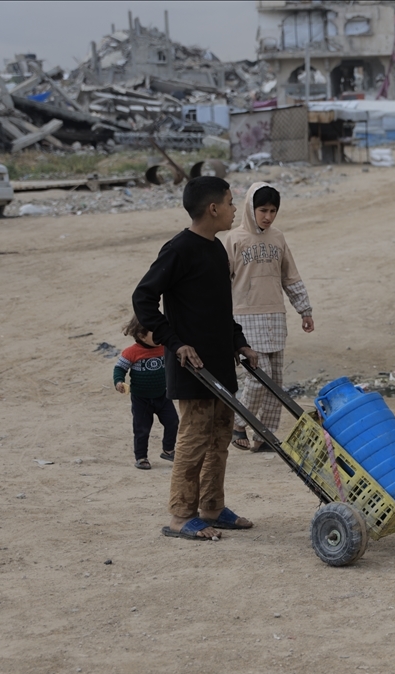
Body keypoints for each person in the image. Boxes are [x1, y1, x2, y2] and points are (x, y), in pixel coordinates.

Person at [133, 176, 259, 542]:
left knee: (220, 438)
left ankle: (212, 508)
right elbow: (143, 298)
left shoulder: (217, 248)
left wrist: (239, 341)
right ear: (213, 208)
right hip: (193, 367)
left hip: (221, 361)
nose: (236, 209)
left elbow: (220, 308)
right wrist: (174, 342)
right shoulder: (179, 249)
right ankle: (180, 516)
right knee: (194, 439)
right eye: (231, 202)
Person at [224, 182, 314, 452]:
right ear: (251, 209)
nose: (268, 216)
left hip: (275, 316)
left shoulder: (278, 238)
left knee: (275, 380)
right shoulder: (233, 239)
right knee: (255, 376)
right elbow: (219, 283)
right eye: (263, 209)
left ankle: (264, 434)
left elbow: (291, 276)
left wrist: (305, 310)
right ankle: (238, 424)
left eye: (273, 210)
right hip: (244, 318)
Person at [113, 315, 179, 470]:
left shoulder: (165, 347)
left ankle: (168, 450)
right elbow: (120, 368)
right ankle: (141, 457)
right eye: (156, 333)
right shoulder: (131, 352)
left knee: (173, 422)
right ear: (141, 335)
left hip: (163, 395)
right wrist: (118, 382)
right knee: (142, 429)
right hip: (141, 399)